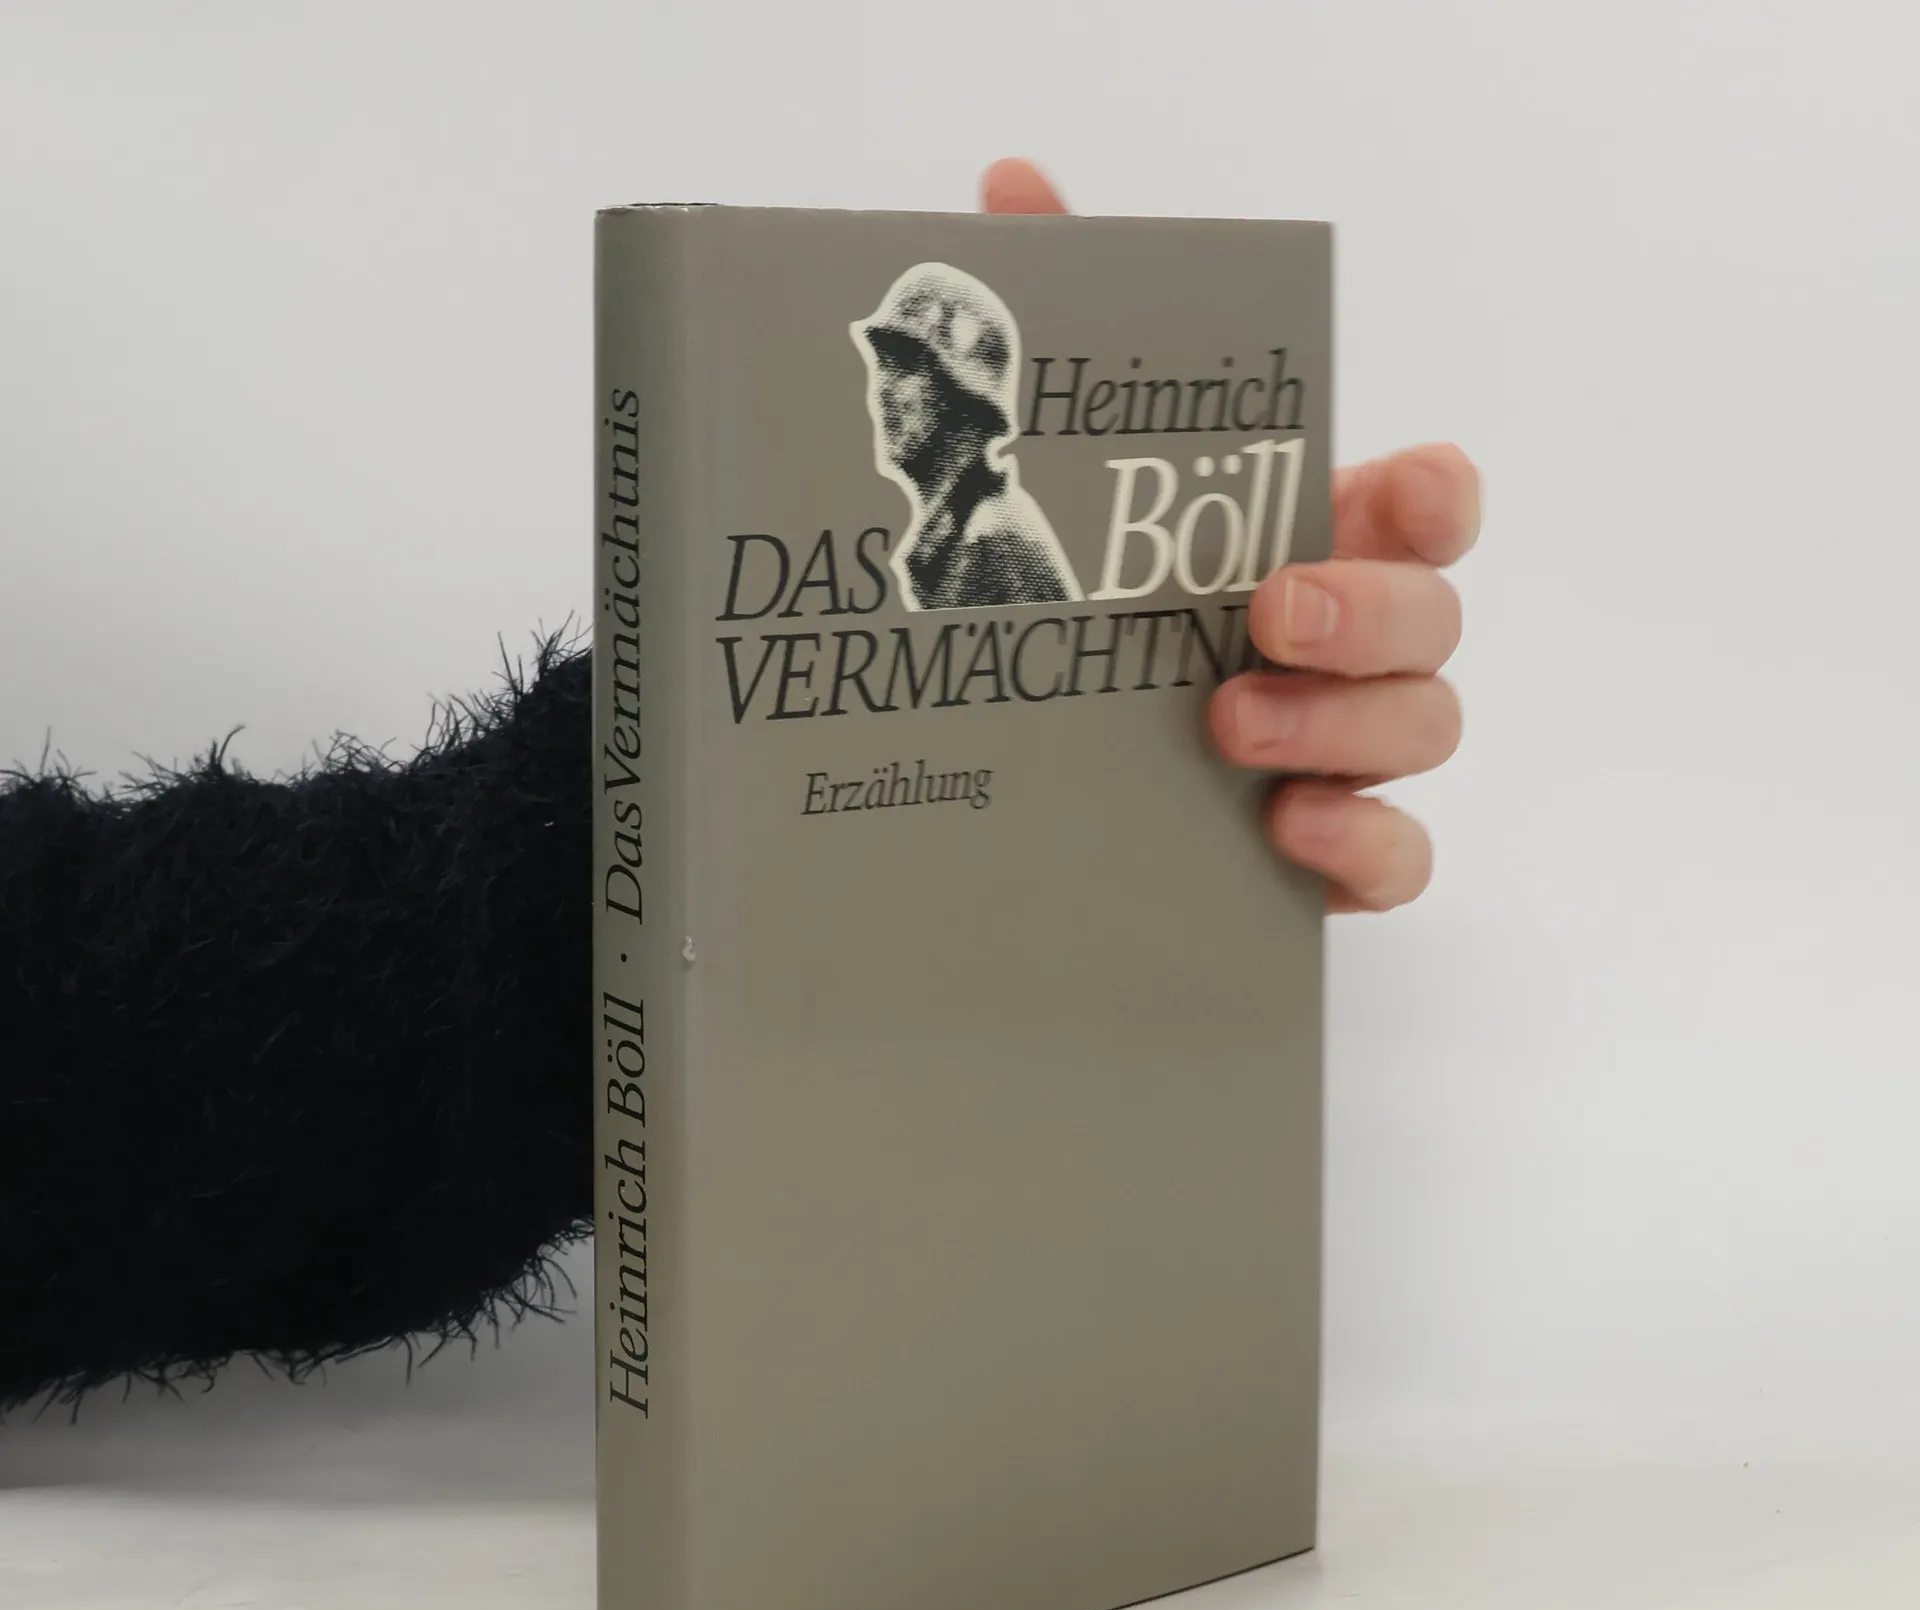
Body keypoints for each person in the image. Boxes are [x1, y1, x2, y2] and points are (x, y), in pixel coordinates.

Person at [0, 159, 1477, 1411]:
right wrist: (666, 842)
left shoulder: (994, 555)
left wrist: (1091, 766)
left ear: (973, 404)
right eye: (884, 378)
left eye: (914, 383)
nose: (891, 410)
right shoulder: (929, 552)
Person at [853, 259, 1084, 609]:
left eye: (905, 367)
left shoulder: (992, 537)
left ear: (964, 401)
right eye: (883, 366)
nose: (884, 390)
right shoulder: (959, 534)